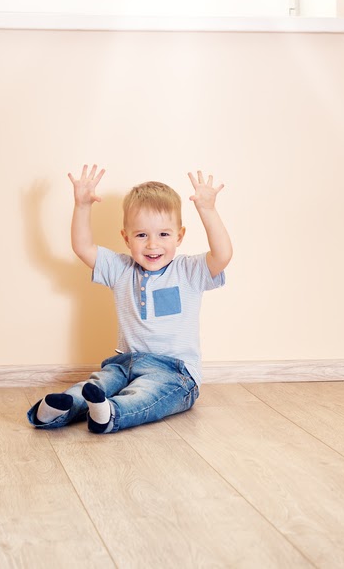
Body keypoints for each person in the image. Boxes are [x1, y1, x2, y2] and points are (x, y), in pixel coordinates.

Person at [26, 165, 232, 433]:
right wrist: (82, 205)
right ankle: (58, 409)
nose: (152, 244)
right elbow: (82, 247)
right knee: (98, 385)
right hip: (125, 364)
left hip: (175, 373)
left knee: (147, 394)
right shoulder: (121, 269)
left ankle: (112, 413)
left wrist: (208, 210)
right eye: (142, 235)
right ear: (126, 238)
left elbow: (223, 254)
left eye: (164, 234)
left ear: (179, 236)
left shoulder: (189, 271)